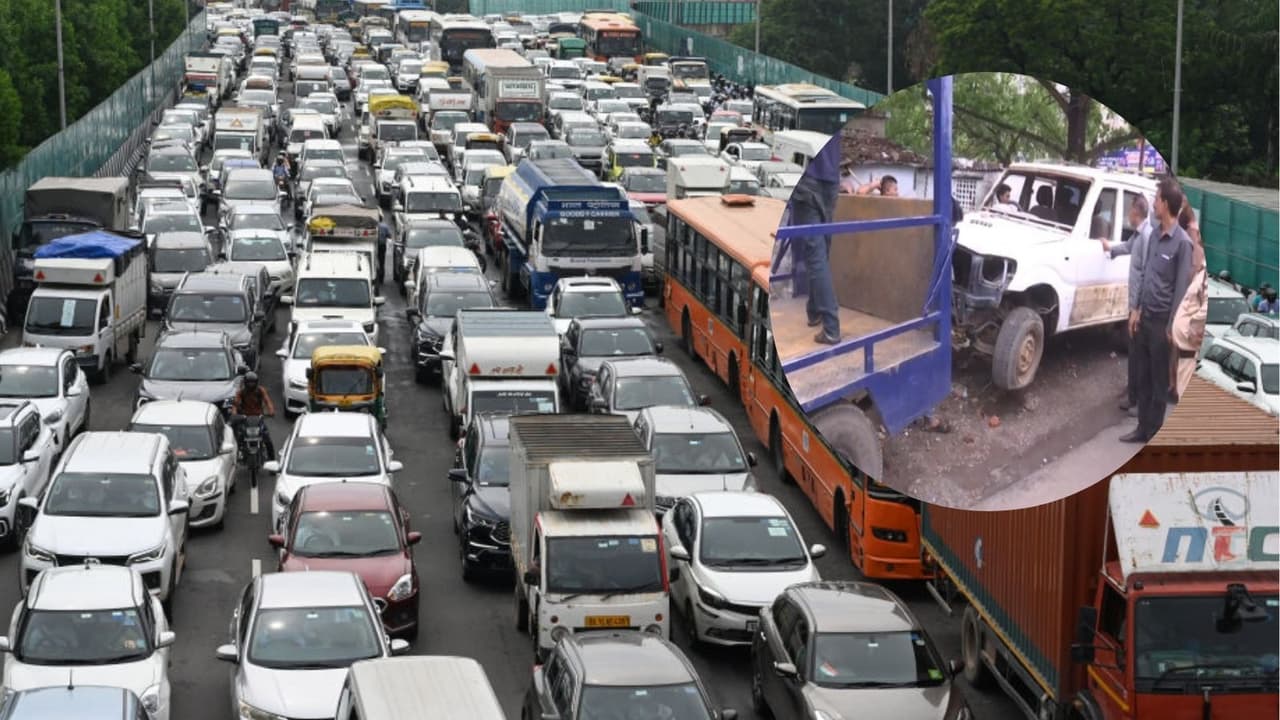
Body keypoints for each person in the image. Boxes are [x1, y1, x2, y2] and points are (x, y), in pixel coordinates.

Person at [1122, 177, 1194, 444]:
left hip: (1163, 322)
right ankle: (1141, 429)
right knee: (1141, 376)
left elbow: (1181, 289)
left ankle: (1154, 433)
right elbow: (1146, 275)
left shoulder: (1182, 243)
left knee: (1158, 381)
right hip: (1145, 317)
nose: (1152, 203)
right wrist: (1136, 310)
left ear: (1165, 204)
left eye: (1156, 199)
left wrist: (1172, 326)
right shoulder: (1152, 235)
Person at [788, 136, 843, 345]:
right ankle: (814, 311)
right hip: (830, 180)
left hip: (808, 180)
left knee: (816, 254)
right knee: (821, 250)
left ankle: (831, 328)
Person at [1105, 195, 1152, 414]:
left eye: (1129, 210)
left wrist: (1137, 309)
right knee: (1134, 353)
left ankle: (1137, 400)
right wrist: (1110, 249)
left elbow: (1144, 275)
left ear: (1136, 212)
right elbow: (1127, 247)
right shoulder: (1139, 235)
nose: (1127, 215)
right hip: (1135, 304)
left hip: (1140, 306)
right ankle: (1133, 394)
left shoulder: (1147, 236)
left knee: (1138, 355)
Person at [1169, 199, 1207, 403]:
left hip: (1184, 319)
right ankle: (1174, 386)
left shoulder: (1186, 239)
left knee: (1179, 355)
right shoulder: (1190, 240)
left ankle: (1174, 387)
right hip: (1184, 315)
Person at [232, 372, 277, 471]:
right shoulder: (241, 392)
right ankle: (236, 457)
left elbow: (267, 401)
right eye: (249, 382)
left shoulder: (260, 390)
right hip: (245, 419)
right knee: (239, 438)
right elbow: (235, 404)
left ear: (256, 383)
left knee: (267, 440)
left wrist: (271, 411)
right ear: (245, 383)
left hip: (258, 418)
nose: (251, 385)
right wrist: (235, 414)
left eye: (253, 383)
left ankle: (272, 463)